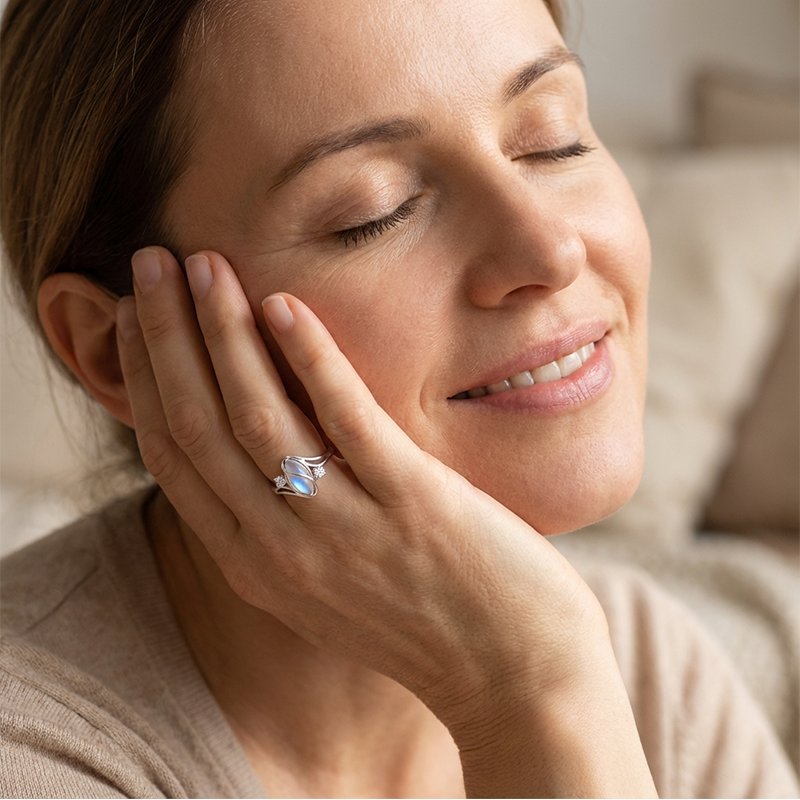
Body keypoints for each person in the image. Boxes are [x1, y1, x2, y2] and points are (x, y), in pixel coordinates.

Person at [0, 0, 796, 796]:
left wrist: (547, 674)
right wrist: (522, 694)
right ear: (115, 353)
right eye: (373, 213)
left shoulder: (647, 671)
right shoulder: (32, 752)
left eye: (553, 140)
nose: (549, 248)